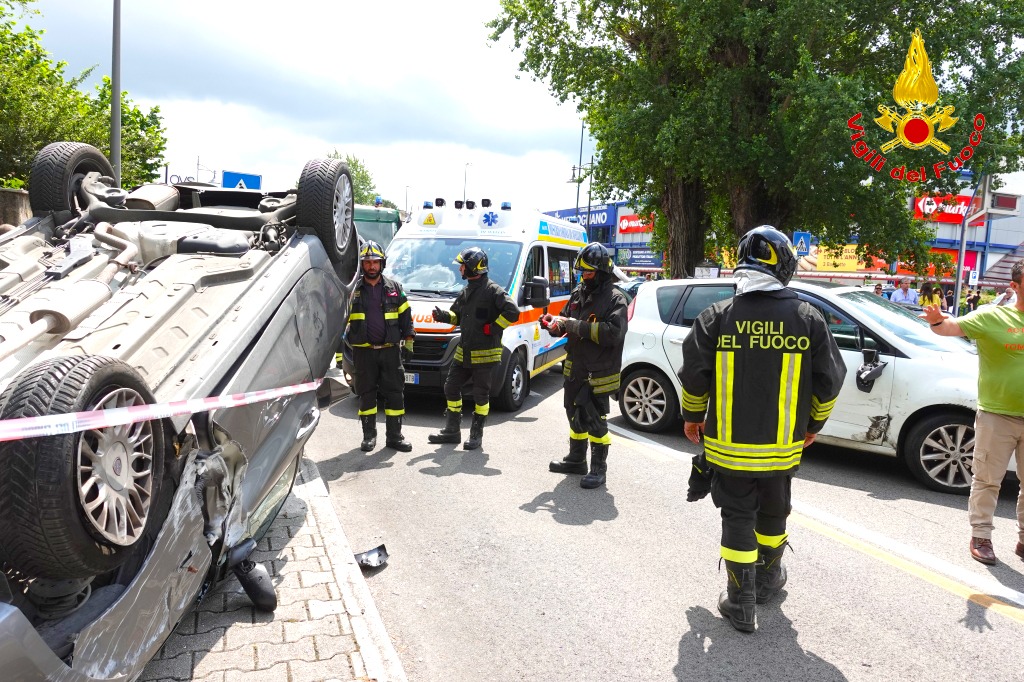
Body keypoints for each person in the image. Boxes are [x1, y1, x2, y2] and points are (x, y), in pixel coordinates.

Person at [680, 226, 846, 632]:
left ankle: (741, 603)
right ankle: (768, 581)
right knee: (774, 510)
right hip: (783, 447)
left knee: (738, 516)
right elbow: (830, 381)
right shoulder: (808, 318)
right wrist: (813, 425)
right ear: (785, 266)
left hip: (729, 448)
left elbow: (695, 377)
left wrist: (692, 417)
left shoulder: (716, 316)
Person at [921, 259, 1024, 565]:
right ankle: (981, 536)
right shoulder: (993, 316)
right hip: (997, 415)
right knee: (987, 479)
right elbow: (951, 327)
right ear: (1015, 286)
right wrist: (937, 321)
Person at [542, 243, 628, 489]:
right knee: (573, 413)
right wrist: (553, 325)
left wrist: (576, 326)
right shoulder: (578, 293)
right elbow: (564, 320)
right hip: (575, 368)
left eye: (588, 272)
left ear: (601, 271)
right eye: (582, 272)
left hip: (597, 372)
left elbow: (613, 333)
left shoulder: (615, 298)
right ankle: (576, 459)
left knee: (594, 419)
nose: (584, 276)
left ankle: (598, 469)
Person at [428, 247, 519, 450]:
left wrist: (494, 328)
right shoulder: (466, 290)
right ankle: (452, 431)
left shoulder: (493, 291)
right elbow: (458, 317)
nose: (459, 269)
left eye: (462, 266)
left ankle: (476, 435)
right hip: (464, 352)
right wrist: (443, 316)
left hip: (484, 355)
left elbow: (513, 311)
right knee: (451, 387)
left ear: (472, 267)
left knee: (480, 395)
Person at [345, 241, 414, 453]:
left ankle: (394, 437)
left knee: (395, 393)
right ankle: (369, 437)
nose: (371, 266)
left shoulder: (395, 288)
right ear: (362, 265)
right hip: (363, 352)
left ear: (382, 263)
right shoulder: (352, 291)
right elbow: (340, 320)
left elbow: (406, 317)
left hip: (390, 351)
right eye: (367, 262)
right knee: (366, 393)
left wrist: (409, 341)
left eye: (375, 262)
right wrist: (340, 351)